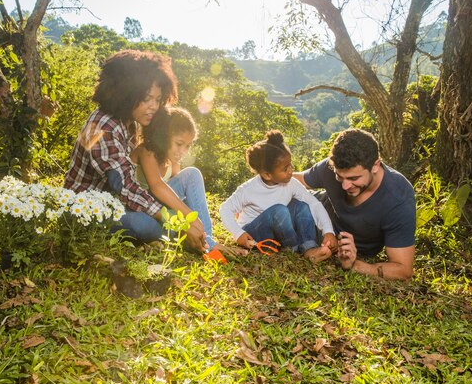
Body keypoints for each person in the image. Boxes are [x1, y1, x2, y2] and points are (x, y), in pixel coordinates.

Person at [64, 49, 207, 251]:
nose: (153, 107)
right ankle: (189, 238)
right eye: (147, 98)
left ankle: (205, 238)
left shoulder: (127, 119)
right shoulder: (100, 128)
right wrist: (181, 222)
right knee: (142, 224)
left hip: (120, 202)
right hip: (90, 210)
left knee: (189, 177)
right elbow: (125, 187)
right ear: (127, 93)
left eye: (157, 100)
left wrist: (183, 216)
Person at [293, 128, 416, 280]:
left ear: (375, 166)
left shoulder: (398, 198)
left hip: (346, 248)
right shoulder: (330, 168)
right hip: (313, 214)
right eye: (340, 177)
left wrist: (355, 265)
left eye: (354, 178)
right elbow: (297, 180)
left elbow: (403, 270)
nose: (345, 186)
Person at [219, 130, 337, 262]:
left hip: (279, 233)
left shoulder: (292, 183)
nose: (291, 170)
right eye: (285, 169)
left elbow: (313, 204)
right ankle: (295, 249)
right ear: (267, 174)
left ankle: (309, 247)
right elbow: (225, 209)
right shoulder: (248, 189)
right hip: (254, 234)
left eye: (290, 165)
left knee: (302, 205)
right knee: (278, 210)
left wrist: (328, 231)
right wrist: (238, 233)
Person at [130, 106, 224, 253]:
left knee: (192, 174)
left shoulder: (172, 160)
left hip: (161, 210)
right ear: (163, 136)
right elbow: (157, 186)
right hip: (141, 207)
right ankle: (204, 243)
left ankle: (205, 241)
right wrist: (191, 218)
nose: (183, 151)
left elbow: (175, 197)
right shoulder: (146, 151)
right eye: (179, 144)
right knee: (142, 224)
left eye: (188, 146)